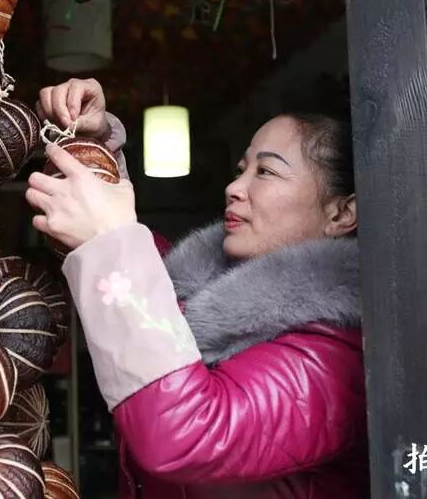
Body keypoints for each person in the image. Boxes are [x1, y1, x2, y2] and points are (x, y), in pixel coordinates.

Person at [27, 78, 369, 499]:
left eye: (266, 171)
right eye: (241, 169)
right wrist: (94, 150)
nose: (234, 188)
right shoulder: (203, 292)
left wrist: (109, 241)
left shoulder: (332, 360)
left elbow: (186, 430)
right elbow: (148, 277)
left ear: (341, 213)